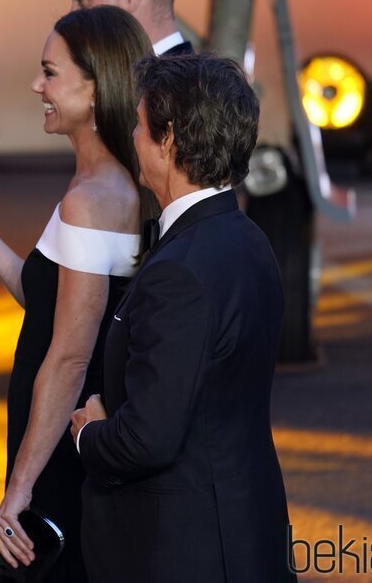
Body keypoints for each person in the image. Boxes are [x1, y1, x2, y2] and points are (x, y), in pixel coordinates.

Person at [0, 6, 156, 582]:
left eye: (50, 73)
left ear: (94, 87)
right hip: (65, 425)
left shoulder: (94, 197)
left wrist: (21, 487)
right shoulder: (103, 184)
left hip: (62, 438)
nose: (37, 86)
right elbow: (51, 310)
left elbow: (68, 355)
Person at [70, 54, 296, 583]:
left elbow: (148, 436)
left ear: (168, 140)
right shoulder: (247, 239)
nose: (132, 136)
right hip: (244, 524)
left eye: (139, 124)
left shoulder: (181, 272)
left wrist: (90, 434)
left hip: (183, 547)